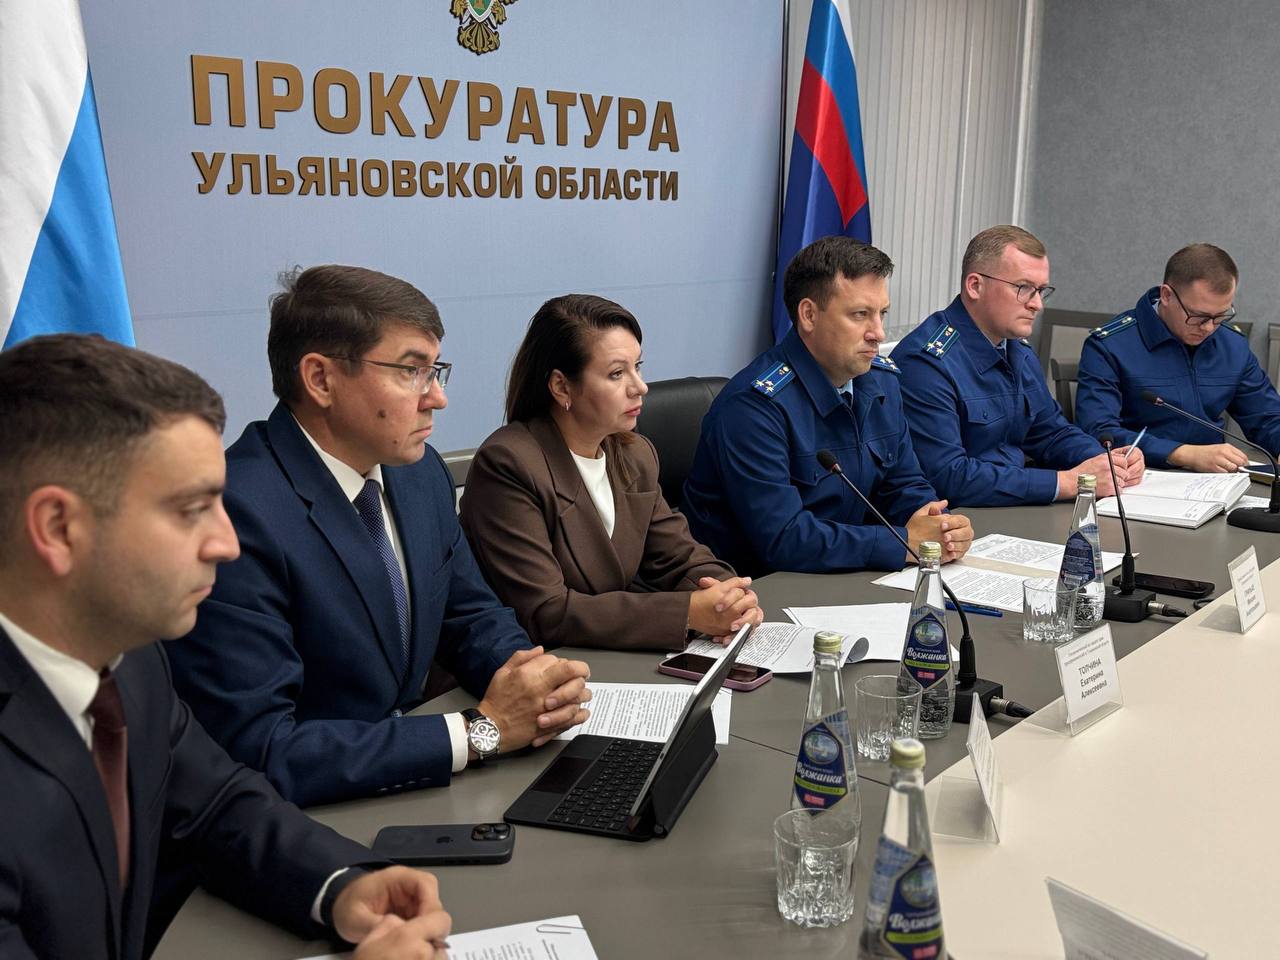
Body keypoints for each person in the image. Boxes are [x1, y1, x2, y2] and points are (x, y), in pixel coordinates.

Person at [0, 334, 450, 960]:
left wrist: (341, 883)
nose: (226, 542)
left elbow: (216, 806)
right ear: (58, 527)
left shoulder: (130, 659)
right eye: (191, 510)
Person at [164, 265, 591, 808]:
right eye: (412, 371)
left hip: (420, 781)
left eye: (436, 371)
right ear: (320, 379)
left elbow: (470, 615)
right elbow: (262, 748)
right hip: (303, 815)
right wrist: (480, 731)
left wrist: (536, 684)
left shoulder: (420, 473)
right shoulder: (236, 513)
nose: (437, 398)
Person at [459, 294, 763, 651]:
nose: (640, 387)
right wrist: (687, 613)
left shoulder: (635, 454)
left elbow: (679, 557)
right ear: (561, 386)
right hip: (540, 664)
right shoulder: (509, 464)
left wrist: (730, 597)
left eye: (638, 367)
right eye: (617, 374)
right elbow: (545, 612)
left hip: (609, 653)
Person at [682, 237, 974, 577]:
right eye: (860, 315)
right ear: (808, 315)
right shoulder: (753, 407)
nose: (878, 333)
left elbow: (904, 484)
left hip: (849, 572)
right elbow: (784, 540)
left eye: (882, 314)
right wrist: (904, 541)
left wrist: (938, 526)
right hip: (760, 588)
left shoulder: (882, 383)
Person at [891, 225, 1146, 506]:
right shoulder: (927, 363)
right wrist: (1068, 482)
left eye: (1041, 291)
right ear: (975, 286)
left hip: (1016, 502)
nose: (1037, 305)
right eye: (1024, 288)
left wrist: (1106, 461)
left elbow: (1051, 432)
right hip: (962, 515)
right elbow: (949, 477)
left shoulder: (1016, 349)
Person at [1076, 243, 1280, 471]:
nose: (1209, 328)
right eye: (1199, 316)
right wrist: (1181, 453)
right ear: (1166, 295)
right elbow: (1099, 432)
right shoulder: (1110, 346)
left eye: (1221, 315)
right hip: (1139, 476)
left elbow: (1267, 417)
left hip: (1216, 481)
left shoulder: (1232, 345)